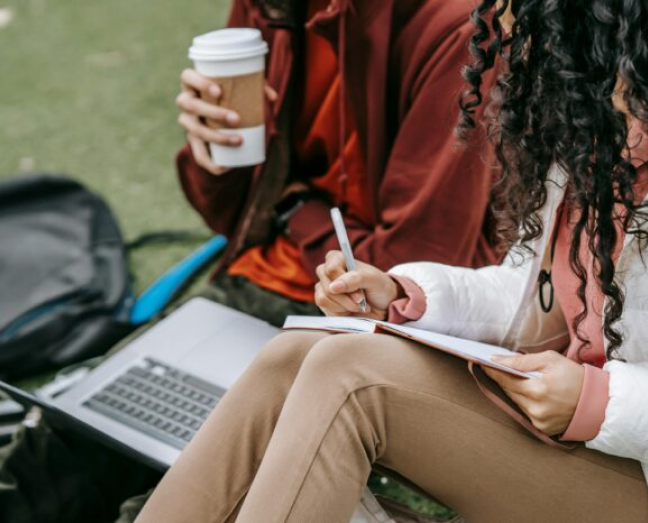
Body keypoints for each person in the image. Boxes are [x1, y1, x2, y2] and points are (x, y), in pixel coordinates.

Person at [135, 0, 648, 521]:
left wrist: (601, 401)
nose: (525, 53)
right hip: (583, 429)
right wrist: (405, 295)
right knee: (293, 356)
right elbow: (534, 296)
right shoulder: (595, 103)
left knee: (352, 377)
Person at [0, 1, 500, 522]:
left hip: (358, 325)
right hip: (255, 279)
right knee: (58, 448)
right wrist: (212, 156)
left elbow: (409, 272)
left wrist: (289, 208)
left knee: (174, 503)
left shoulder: (461, 30)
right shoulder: (271, 8)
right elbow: (233, 217)